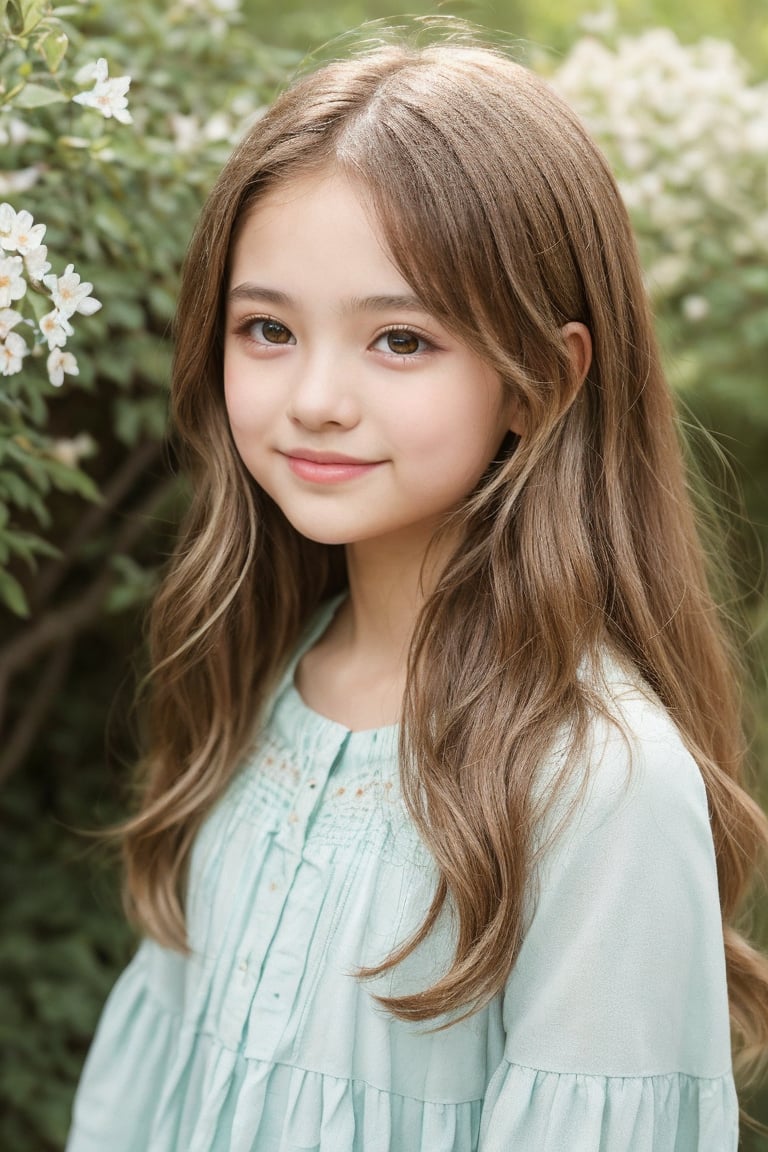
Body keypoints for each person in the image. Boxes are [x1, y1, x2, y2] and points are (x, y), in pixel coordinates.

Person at [66, 31, 768, 1152]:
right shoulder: (261, 670)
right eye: (268, 330)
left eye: (401, 339)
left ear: (546, 378)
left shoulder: (601, 784)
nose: (316, 397)